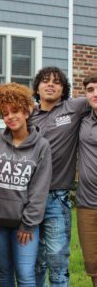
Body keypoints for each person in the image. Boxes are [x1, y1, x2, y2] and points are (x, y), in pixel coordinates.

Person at [0, 83, 52, 287]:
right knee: (4, 274)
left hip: (24, 226)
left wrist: (28, 223)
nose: (11, 116)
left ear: (26, 111)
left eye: (15, 111)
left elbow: (39, 190)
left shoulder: (41, 146)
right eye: (5, 113)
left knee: (25, 275)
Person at [31, 66, 90, 286]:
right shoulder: (28, 115)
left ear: (64, 89)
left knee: (57, 256)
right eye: (45, 81)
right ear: (37, 87)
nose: (50, 85)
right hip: (29, 199)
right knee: (34, 260)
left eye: (57, 82)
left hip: (57, 197)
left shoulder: (73, 107)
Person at [76, 74, 97, 287]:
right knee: (92, 262)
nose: (95, 94)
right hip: (87, 204)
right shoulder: (82, 120)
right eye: (90, 89)